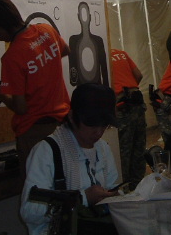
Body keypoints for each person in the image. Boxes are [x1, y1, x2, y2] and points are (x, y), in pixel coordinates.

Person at [0, 0, 70, 178]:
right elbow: (65, 50)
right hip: (63, 125)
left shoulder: (12, 57)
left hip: (34, 133)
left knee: (38, 188)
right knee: (66, 180)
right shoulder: (46, 30)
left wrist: (2, 95)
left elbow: (21, 108)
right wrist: (43, 70)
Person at [20, 83, 119, 235]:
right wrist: (82, 198)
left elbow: (113, 187)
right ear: (72, 117)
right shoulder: (47, 151)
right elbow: (29, 211)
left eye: (104, 125)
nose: (99, 132)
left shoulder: (103, 148)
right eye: (92, 124)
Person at [110, 48, 146, 191]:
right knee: (139, 145)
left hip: (121, 104)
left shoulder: (101, 55)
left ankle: (124, 188)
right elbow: (138, 75)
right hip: (136, 100)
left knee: (123, 149)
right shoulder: (120, 53)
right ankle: (139, 186)